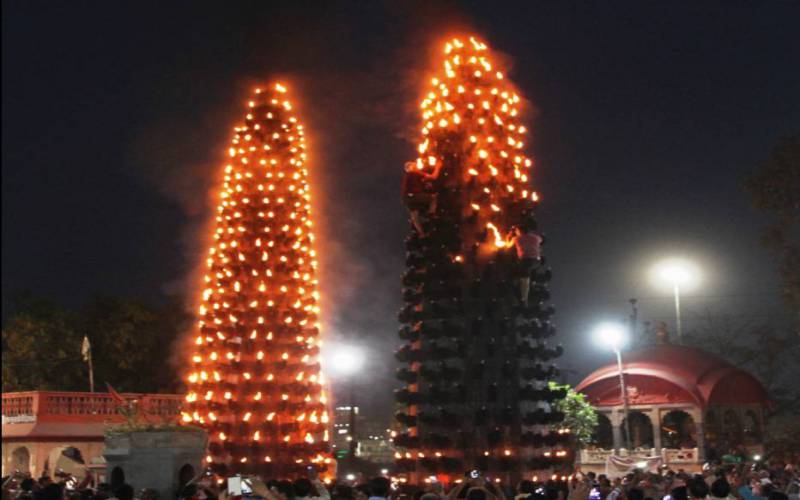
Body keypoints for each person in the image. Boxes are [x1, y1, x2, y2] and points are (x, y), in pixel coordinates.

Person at [506, 223, 542, 306]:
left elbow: (507, 245)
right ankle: (531, 284)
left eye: (517, 231)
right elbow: (540, 240)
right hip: (537, 261)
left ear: (520, 231)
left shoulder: (516, 238)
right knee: (527, 273)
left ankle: (524, 299)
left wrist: (509, 234)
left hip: (526, 261)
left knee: (524, 279)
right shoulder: (535, 237)